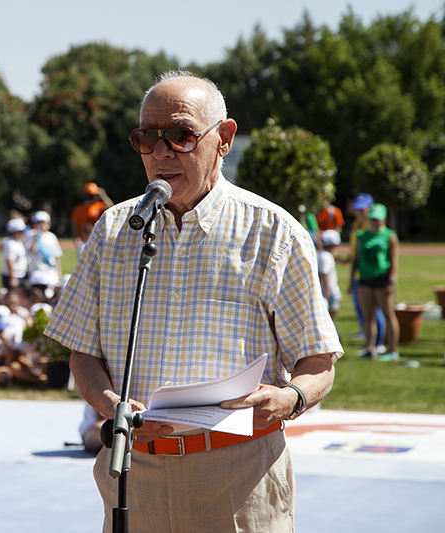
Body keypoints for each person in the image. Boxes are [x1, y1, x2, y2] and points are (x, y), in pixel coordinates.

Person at [45, 71, 342, 532]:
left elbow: (318, 361)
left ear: (223, 139)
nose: (162, 152)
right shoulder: (113, 230)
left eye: (181, 135)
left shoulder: (274, 233)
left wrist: (289, 398)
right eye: (148, 137)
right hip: (133, 477)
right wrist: (111, 405)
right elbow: (82, 351)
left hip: (240, 476)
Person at [351, 203, 400, 362]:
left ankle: (393, 350)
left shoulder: (389, 236)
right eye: (372, 218)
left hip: (382, 279)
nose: (375, 221)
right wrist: (352, 280)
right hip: (364, 279)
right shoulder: (361, 236)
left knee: (388, 314)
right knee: (368, 315)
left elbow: (394, 261)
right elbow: (356, 260)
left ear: (384, 219)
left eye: (378, 219)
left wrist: (391, 280)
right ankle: (369, 348)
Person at [70, 182, 114, 255]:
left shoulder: (98, 206)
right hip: (83, 241)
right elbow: (74, 224)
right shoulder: (79, 209)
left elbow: (112, 208)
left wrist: (103, 195)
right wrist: (76, 238)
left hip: (97, 239)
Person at [318, 230, 343, 320]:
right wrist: (327, 291)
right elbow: (324, 274)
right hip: (330, 290)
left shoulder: (322, 254)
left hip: (327, 290)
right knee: (330, 314)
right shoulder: (325, 257)